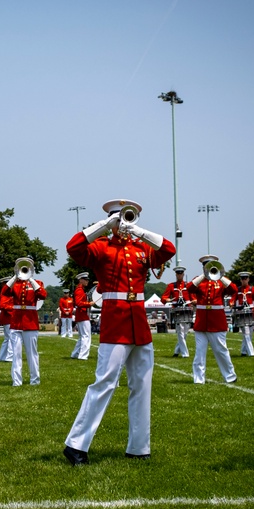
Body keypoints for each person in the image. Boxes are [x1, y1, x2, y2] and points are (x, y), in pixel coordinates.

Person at [63, 199, 175, 465]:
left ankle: (139, 447)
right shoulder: (101, 247)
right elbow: (73, 247)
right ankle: (76, 444)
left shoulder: (140, 248)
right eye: (121, 218)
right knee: (104, 383)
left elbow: (168, 249)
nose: (124, 223)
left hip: (139, 325)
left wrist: (139, 231)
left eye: (128, 217)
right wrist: (104, 226)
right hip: (115, 324)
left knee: (142, 387)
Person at [188, 255, 238, 384]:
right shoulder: (199, 281)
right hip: (201, 322)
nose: (209, 268)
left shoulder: (220, 281)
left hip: (217, 322)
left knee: (221, 350)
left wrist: (221, 276)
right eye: (206, 266)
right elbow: (189, 288)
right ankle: (199, 379)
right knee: (199, 353)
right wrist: (203, 275)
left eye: (211, 266)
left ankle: (230, 376)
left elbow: (234, 290)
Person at [0, 257, 47, 386]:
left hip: (30, 322)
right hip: (16, 322)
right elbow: (4, 292)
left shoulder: (37, 283)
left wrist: (30, 278)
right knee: (16, 354)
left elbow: (43, 295)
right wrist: (15, 277)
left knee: (32, 353)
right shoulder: (15, 283)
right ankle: (16, 381)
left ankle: (35, 380)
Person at [161, 266, 194, 358]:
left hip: (187, 310)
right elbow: (163, 297)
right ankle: (185, 354)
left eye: (181, 274)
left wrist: (195, 301)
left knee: (185, 333)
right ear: (176, 275)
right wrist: (166, 299)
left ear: (183, 274)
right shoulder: (171, 286)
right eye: (178, 274)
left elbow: (193, 297)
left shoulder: (188, 285)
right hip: (177, 311)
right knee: (180, 332)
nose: (179, 275)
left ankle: (176, 351)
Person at [236, 271, 254, 357]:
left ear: (248, 279)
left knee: (249, 333)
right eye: (242, 279)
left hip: (251, 312)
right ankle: (251, 353)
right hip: (241, 312)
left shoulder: (253, 289)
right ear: (240, 280)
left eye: (245, 279)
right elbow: (232, 299)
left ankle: (243, 351)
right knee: (246, 333)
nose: (244, 280)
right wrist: (231, 304)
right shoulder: (237, 290)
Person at [70, 272, 94, 360]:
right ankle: (83, 355)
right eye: (85, 280)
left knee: (82, 336)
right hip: (83, 315)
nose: (87, 281)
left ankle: (75, 354)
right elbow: (79, 303)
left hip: (81, 315)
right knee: (86, 336)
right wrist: (89, 304)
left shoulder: (80, 289)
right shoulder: (79, 290)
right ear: (81, 280)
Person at [0, 276, 14, 362]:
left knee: (7, 338)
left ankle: (1, 357)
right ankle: (9, 357)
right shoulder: (5, 293)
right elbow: (2, 305)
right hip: (9, 317)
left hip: (8, 317)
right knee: (11, 338)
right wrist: (14, 308)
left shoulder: (7, 292)